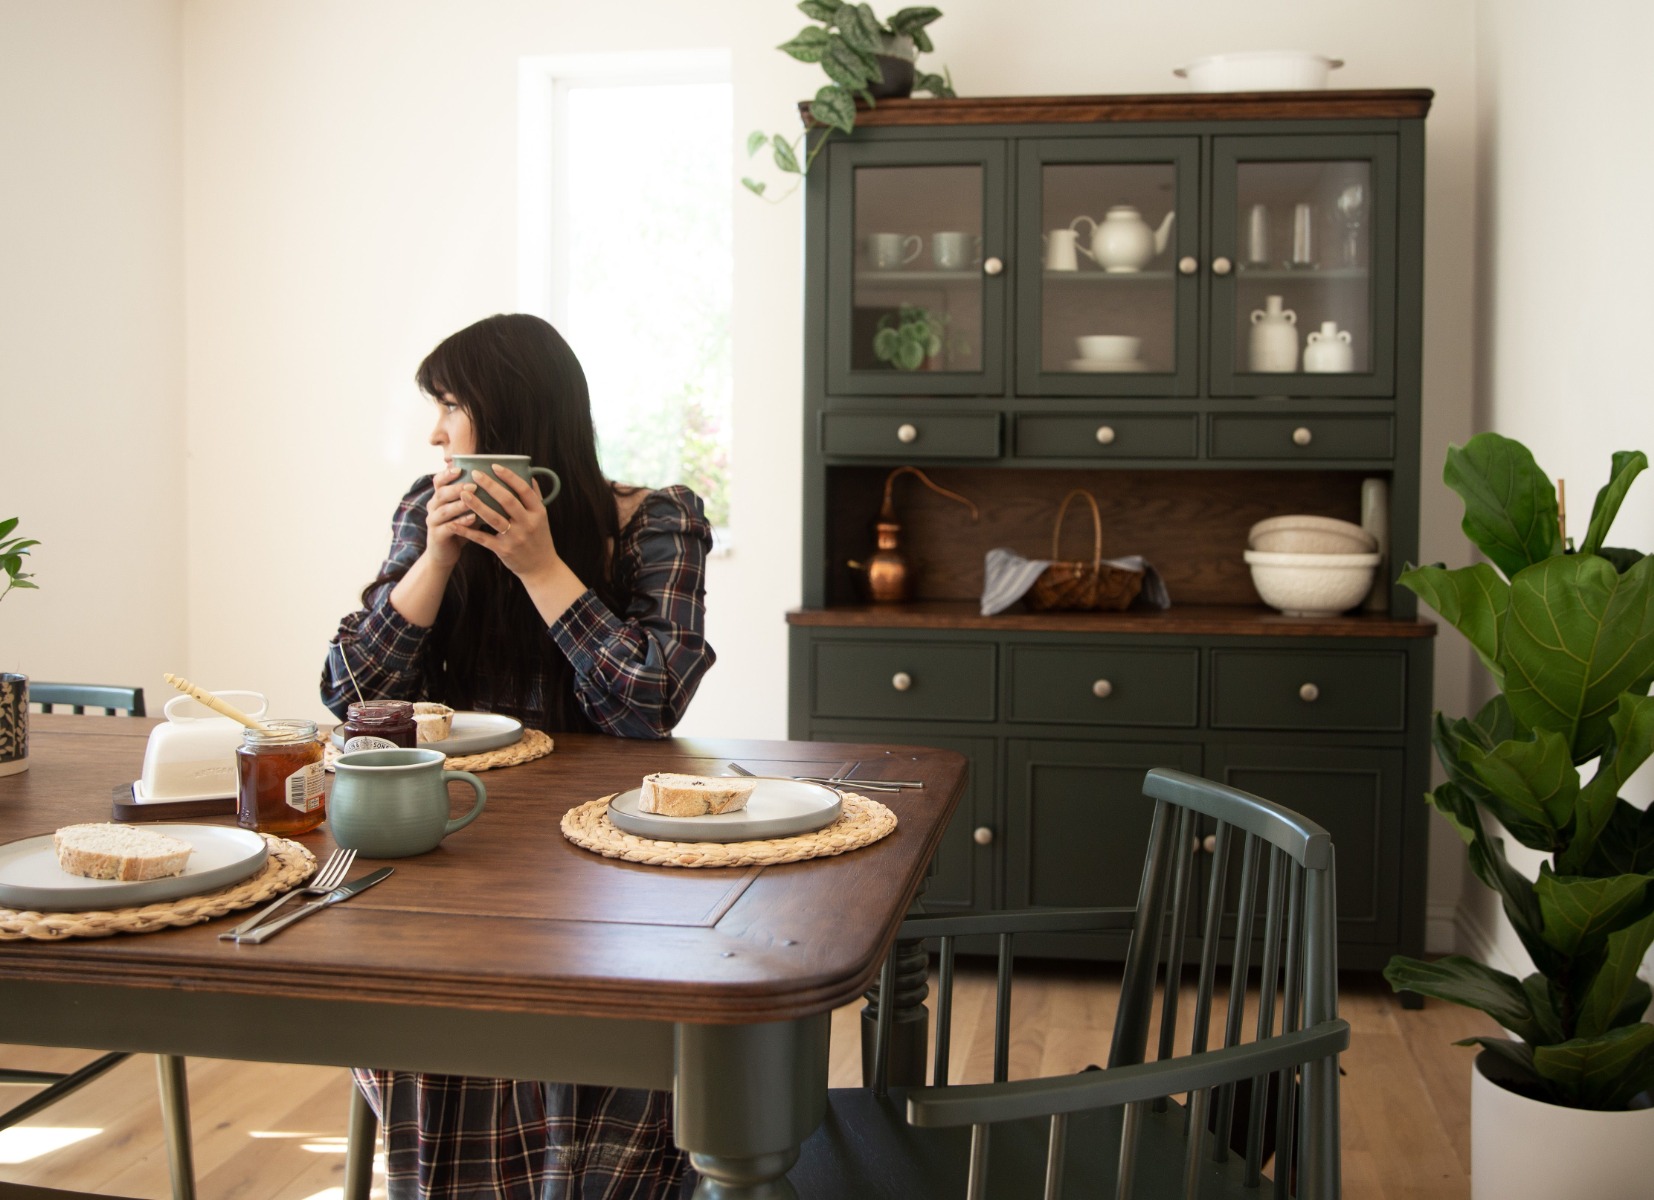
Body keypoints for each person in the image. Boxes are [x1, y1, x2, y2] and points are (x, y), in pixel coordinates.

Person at [321, 312, 713, 1199]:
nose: (434, 433)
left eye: (450, 408)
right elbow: (351, 697)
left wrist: (540, 566)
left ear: (507, 423)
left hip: (614, 858)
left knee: (605, 1031)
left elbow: (650, 703)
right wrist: (434, 563)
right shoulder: (425, 515)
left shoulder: (656, 520)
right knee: (431, 1013)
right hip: (457, 839)